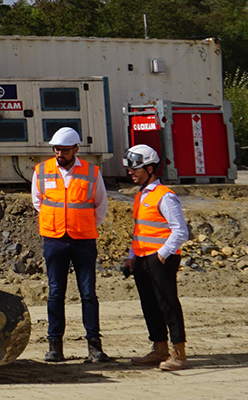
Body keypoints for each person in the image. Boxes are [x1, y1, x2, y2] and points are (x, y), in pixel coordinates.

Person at [33, 126, 111, 364]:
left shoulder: (91, 171)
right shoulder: (41, 170)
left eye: (65, 150)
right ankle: (54, 346)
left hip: (83, 240)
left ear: (76, 149)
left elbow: (101, 205)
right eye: (57, 149)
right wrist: (57, 222)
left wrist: (81, 223)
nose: (60, 154)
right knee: (56, 293)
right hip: (54, 239)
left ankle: (94, 346)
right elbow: (38, 201)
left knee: (88, 294)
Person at [121, 144, 190, 371]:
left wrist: (162, 254)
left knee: (168, 304)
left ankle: (178, 353)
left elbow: (180, 230)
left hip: (160, 259)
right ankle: (159, 349)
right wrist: (132, 257)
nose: (131, 173)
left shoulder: (165, 196)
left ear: (150, 168)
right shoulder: (141, 195)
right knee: (149, 305)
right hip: (142, 258)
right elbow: (140, 229)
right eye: (130, 169)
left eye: (135, 169)